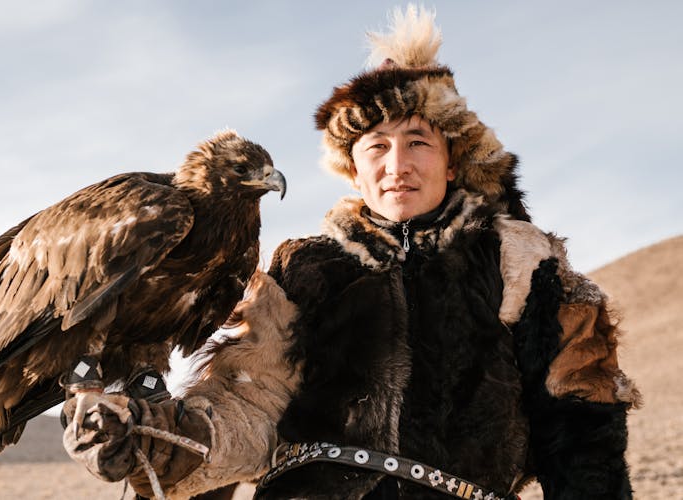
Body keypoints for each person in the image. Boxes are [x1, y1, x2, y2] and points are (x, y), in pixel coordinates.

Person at [62, 6, 640, 499]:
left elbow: (580, 424)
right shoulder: (302, 267)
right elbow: (248, 408)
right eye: (377, 146)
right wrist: (153, 439)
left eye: (418, 142)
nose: (398, 165)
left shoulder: (522, 261)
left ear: (452, 158)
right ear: (353, 168)